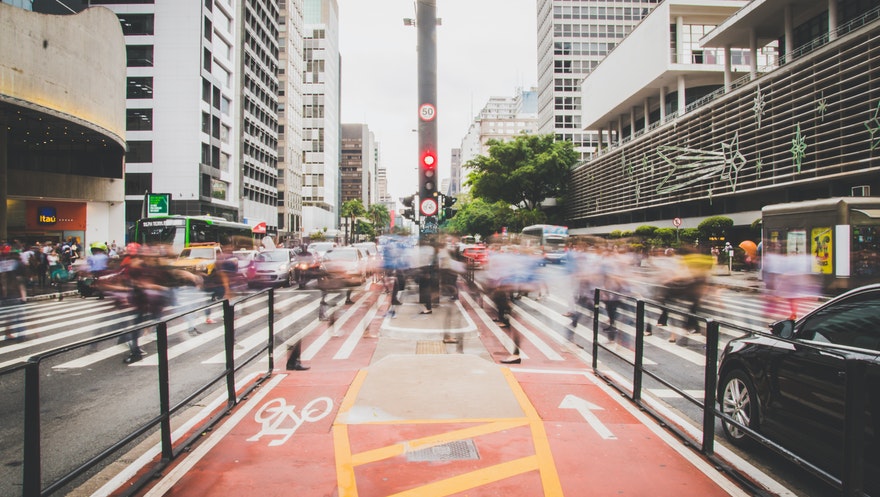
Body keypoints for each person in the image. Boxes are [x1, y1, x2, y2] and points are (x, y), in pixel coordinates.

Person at [0, 244, 27, 341]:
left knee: (9, 315)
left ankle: (8, 333)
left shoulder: (4, 265)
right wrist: (23, 296)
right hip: (13, 294)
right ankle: (20, 333)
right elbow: (19, 281)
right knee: (18, 314)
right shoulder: (15, 265)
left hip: (5, 295)